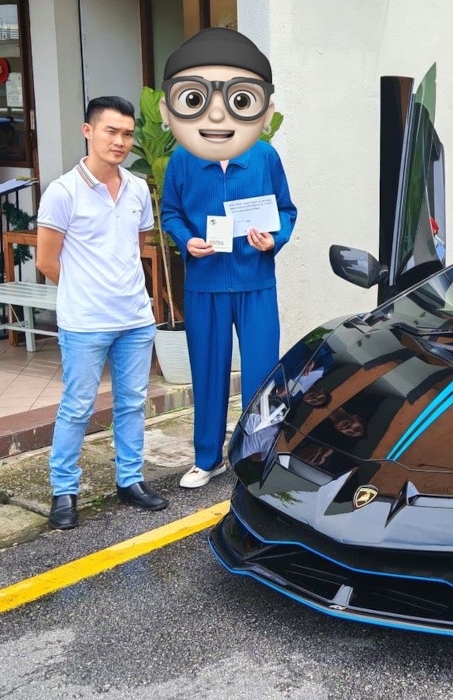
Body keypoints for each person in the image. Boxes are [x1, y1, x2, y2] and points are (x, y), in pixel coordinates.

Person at [158, 28, 297, 488]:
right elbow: (171, 212)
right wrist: (186, 240)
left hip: (255, 281)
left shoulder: (264, 156)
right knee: (208, 373)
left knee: (261, 374)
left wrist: (273, 240)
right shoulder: (183, 159)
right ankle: (207, 458)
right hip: (205, 282)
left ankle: (257, 459)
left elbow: (287, 210)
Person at [36, 96, 168, 530]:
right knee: (77, 407)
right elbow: (47, 261)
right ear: (88, 131)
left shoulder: (137, 189)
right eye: (111, 131)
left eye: (127, 134)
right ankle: (64, 491)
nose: (120, 141)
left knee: (132, 404)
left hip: (135, 319)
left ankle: (129, 480)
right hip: (86, 323)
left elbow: (135, 248)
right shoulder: (63, 191)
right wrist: (85, 291)